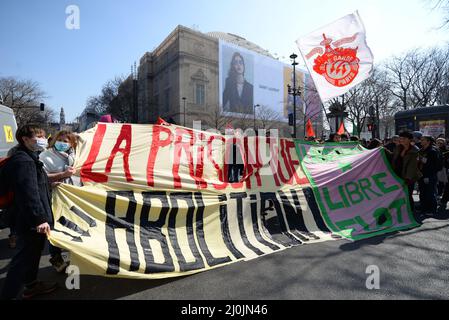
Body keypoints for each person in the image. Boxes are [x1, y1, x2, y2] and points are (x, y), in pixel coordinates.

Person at [0, 124, 57, 300]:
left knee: (31, 256)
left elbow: (34, 186)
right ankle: (9, 295)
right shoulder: (24, 161)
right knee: (23, 260)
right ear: (25, 139)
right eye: (38, 136)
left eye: (43, 136)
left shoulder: (28, 157)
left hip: (29, 219)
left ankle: (31, 285)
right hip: (29, 221)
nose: (42, 140)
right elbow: (28, 194)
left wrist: (49, 184)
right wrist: (39, 219)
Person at [39, 130, 78, 272]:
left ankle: (77, 255)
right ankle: (56, 258)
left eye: (66, 141)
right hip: (54, 198)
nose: (62, 143)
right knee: (56, 229)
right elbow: (41, 178)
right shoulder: (45, 156)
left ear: (71, 143)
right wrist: (62, 175)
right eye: (59, 140)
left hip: (73, 198)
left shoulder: (76, 155)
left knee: (74, 226)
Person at [392, 131, 422, 214]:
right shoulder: (398, 148)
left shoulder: (415, 150)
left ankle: (410, 211)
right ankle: (401, 211)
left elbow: (413, 166)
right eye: (400, 138)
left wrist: (408, 178)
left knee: (408, 194)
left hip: (408, 177)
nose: (401, 140)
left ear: (410, 140)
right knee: (398, 194)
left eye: (404, 139)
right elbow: (393, 157)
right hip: (397, 174)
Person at [417, 136, 440, 215]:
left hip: (429, 175)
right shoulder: (421, 150)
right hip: (421, 175)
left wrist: (422, 159)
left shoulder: (433, 151)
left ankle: (432, 210)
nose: (421, 141)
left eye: (423, 140)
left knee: (430, 193)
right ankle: (424, 209)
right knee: (422, 193)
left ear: (428, 141)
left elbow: (435, 165)